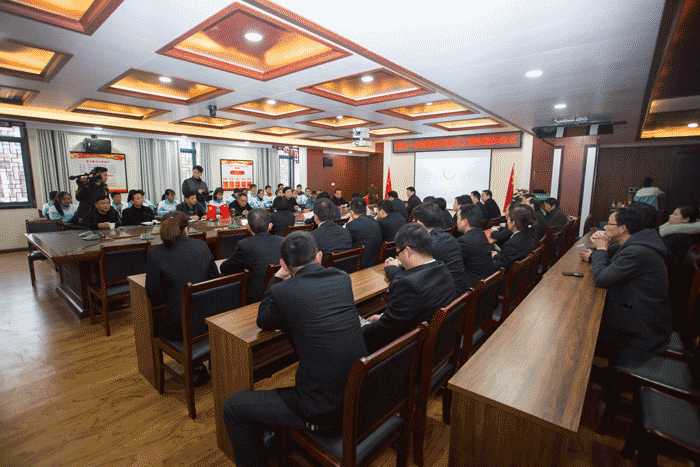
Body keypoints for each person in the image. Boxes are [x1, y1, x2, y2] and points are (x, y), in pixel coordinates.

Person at [223, 231, 367, 467]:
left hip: (323, 411)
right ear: (319, 256)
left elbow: (264, 320)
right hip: (357, 393)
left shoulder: (283, 291)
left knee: (233, 406)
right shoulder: (342, 278)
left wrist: (275, 279)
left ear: (283, 264)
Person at [581, 207, 672, 362]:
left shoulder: (637, 251)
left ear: (622, 228)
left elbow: (602, 278)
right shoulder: (638, 241)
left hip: (643, 326)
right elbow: (613, 261)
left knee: (583, 322)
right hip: (638, 310)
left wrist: (601, 249)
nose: (605, 227)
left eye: (609, 224)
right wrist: (598, 251)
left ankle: (590, 365)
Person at [145, 211, 219, 384]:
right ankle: (198, 364)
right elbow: (214, 279)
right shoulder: (202, 246)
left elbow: (153, 294)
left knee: (160, 317)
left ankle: (193, 364)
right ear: (186, 229)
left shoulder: (155, 253)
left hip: (178, 325)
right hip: (207, 319)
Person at [361, 223, 456, 353]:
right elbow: (407, 314)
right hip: (441, 342)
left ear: (407, 251)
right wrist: (384, 317)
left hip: (410, 352)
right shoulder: (442, 267)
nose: (398, 258)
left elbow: (384, 331)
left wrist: (362, 328)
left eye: (398, 253)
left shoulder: (408, 285)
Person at [220, 209, 283, 304]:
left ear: (248, 227)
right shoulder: (282, 241)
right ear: (270, 226)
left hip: (256, 299)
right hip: (280, 293)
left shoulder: (245, 245)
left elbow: (224, 268)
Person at [412, 202, 468, 294]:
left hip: (445, 295)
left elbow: (415, 275)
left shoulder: (428, 244)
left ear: (419, 224)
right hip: (458, 291)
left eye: (414, 222)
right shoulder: (450, 237)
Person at [659, 206, 700, 327]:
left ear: (686, 219)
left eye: (675, 214)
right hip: (673, 273)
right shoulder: (681, 231)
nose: (670, 216)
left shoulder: (679, 236)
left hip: (674, 278)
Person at [456, 204, 497, 289]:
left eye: (458, 218)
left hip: (474, 288)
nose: (457, 222)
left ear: (464, 222)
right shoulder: (481, 234)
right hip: (487, 282)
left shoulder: (464, 241)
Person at [492, 203, 537, 270]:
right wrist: (496, 255)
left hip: (506, 274)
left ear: (513, 223)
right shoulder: (528, 235)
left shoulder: (512, 244)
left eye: (508, 219)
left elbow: (500, 265)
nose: (507, 222)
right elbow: (509, 257)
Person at [310, 198, 352, 265]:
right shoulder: (346, 232)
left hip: (325, 271)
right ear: (334, 214)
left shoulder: (312, 237)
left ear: (315, 217)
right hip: (347, 270)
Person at [345, 197, 382, 269]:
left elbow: (343, 240)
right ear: (366, 210)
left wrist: (348, 223)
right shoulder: (375, 222)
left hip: (359, 266)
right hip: (375, 262)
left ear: (352, 213)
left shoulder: (351, 225)